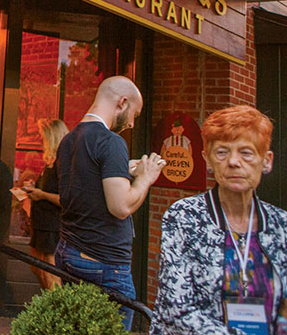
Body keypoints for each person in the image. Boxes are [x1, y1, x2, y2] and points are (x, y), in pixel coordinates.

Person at [152, 105, 287, 335]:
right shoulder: (184, 217)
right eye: (222, 152)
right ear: (207, 160)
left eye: (246, 152)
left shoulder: (282, 225)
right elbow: (175, 311)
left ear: (267, 161)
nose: (234, 162)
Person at [54, 75, 165, 331]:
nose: (132, 123)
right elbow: (121, 206)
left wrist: (123, 169)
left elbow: (86, 180)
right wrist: (145, 179)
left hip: (69, 251)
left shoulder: (68, 140)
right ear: (122, 102)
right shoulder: (112, 141)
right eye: (133, 114)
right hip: (104, 263)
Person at [23, 118, 68, 289]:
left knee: (50, 271)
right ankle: (47, 307)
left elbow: (64, 199)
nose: (41, 141)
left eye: (43, 137)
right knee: (36, 267)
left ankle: (55, 310)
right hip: (40, 223)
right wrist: (34, 188)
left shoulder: (62, 164)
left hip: (52, 226)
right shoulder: (49, 163)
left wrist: (41, 194)